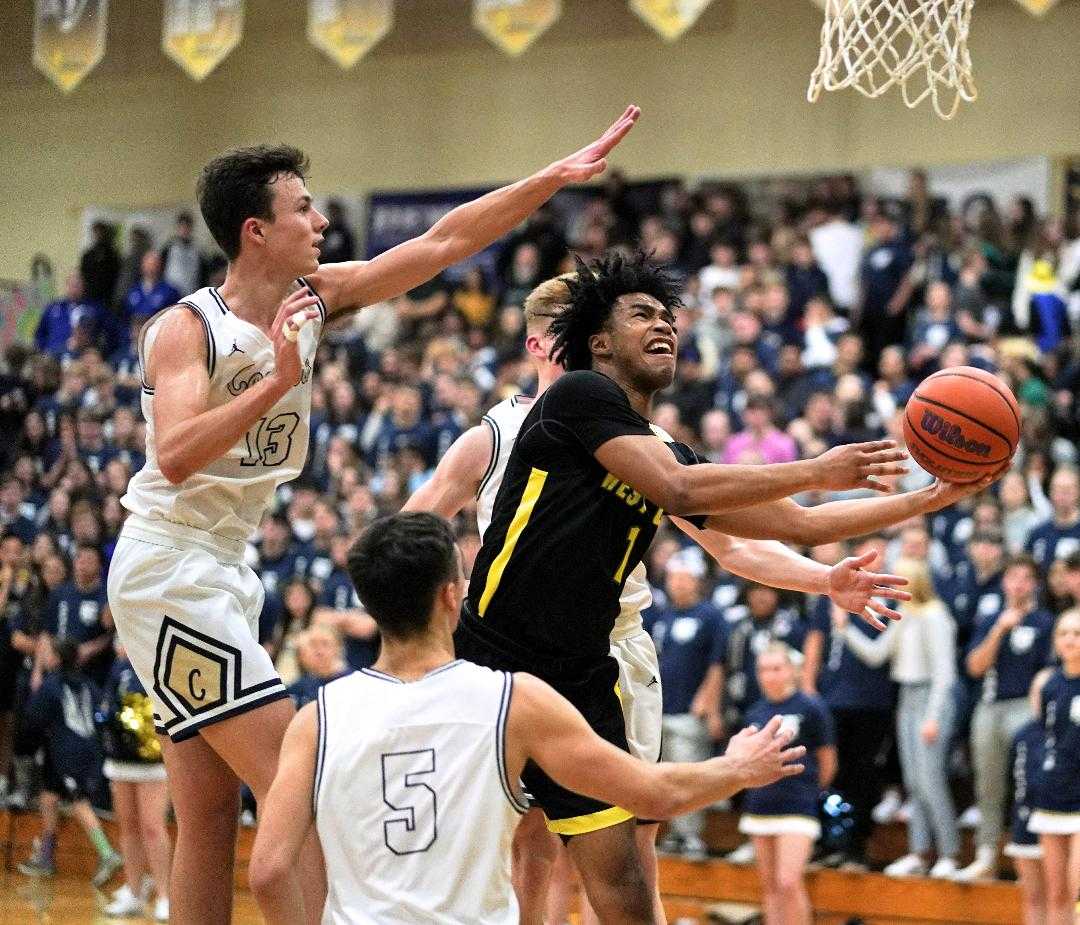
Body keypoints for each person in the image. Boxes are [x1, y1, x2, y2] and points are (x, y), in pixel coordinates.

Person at [105, 108, 645, 925]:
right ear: (256, 231)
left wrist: (550, 180)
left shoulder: (314, 299)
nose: (322, 221)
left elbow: (439, 245)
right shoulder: (187, 329)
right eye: (303, 210)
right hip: (169, 564)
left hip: (222, 562)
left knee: (210, 813)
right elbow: (174, 454)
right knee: (300, 785)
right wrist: (277, 378)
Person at [453, 251, 989, 923]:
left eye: (667, 315)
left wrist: (929, 498)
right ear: (598, 342)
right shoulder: (577, 397)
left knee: (622, 881)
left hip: (582, 673)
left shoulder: (663, 447)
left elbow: (794, 522)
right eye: (641, 313)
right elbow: (680, 490)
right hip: (492, 661)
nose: (663, 325)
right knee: (468, 865)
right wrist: (819, 465)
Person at [248, 512, 805, 925]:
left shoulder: (317, 719)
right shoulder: (512, 700)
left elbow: (270, 872)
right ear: (452, 596)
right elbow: (650, 793)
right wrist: (736, 769)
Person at [834, 559, 961, 879]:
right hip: (906, 697)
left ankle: (950, 853)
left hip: (931, 697)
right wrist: (845, 629)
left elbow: (945, 674)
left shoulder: (935, 615)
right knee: (914, 783)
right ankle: (919, 852)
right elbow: (877, 654)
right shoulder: (902, 616)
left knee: (931, 780)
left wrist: (933, 716)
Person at [959, 554, 1057, 882]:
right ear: (1004, 581)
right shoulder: (990, 619)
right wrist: (999, 630)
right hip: (989, 706)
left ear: (1035, 584)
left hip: (1025, 708)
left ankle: (1030, 853)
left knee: (1027, 781)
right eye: (1012, 576)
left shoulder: (1045, 622)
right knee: (987, 784)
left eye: (1025, 578)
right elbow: (974, 667)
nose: (1018, 584)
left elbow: (1049, 671)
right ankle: (986, 855)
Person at [741, 642, 836, 925]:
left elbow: (828, 761)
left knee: (788, 881)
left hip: (798, 807)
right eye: (763, 670)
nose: (769, 675)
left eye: (776, 668)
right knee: (769, 886)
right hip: (759, 805)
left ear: (793, 671)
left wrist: (808, 792)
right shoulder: (755, 711)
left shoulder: (811, 707)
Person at [17, 637, 123, 886]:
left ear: (56, 658)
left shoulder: (52, 685)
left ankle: (107, 854)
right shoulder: (86, 682)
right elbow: (102, 712)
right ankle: (45, 857)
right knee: (48, 798)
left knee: (79, 802)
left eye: (48, 651)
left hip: (69, 752)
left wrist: (26, 750)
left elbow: (33, 719)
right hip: (81, 749)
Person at [99, 641, 172, 921]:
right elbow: (108, 704)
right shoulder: (120, 668)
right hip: (121, 758)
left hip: (152, 761)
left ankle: (165, 895)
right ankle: (133, 889)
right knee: (128, 827)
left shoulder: (160, 665)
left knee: (153, 827)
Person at [1028, 608, 1080, 925]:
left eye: (1077, 633)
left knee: (1079, 894)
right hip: (1053, 793)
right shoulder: (1050, 685)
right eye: (1063, 633)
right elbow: (1046, 737)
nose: (1070, 640)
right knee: (1056, 892)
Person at [1004, 683, 1047, 925]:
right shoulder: (1022, 736)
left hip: (1064, 823)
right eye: (1036, 692)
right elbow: (1018, 784)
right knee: (1032, 898)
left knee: (1061, 897)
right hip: (1026, 824)